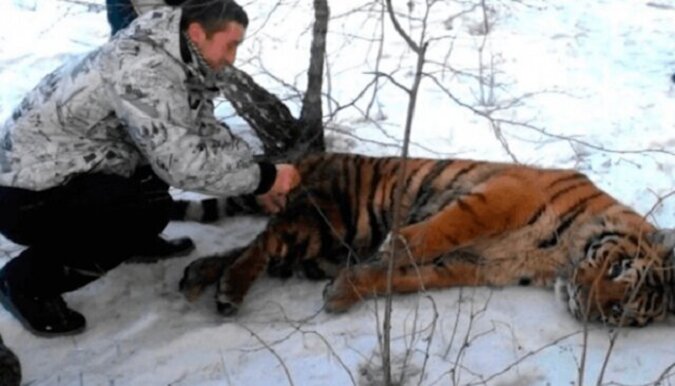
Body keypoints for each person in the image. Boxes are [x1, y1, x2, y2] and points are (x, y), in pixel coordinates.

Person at [0, 0, 300, 337]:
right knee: (145, 209)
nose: (232, 57)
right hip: (24, 197)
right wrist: (264, 179)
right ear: (198, 33)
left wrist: (255, 171)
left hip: (69, 169)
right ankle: (25, 283)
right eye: (230, 45)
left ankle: (127, 240)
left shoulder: (179, 56)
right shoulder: (145, 69)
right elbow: (183, 165)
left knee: (150, 184)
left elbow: (201, 131)